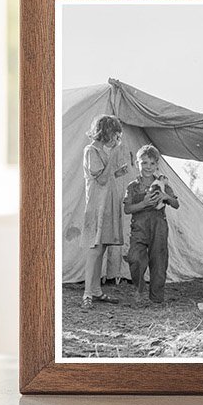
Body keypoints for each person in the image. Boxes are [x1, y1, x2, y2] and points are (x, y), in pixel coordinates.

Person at [78, 114, 129, 308]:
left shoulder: (103, 153)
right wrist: (115, 155)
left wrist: (117, 172)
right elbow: (99, 179)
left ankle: (96, 290)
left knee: (102, 248)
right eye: (115, 134)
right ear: (106, 132)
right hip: (97, 208)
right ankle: (87, 294)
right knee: (94, 249)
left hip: (106, 205)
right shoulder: (90, 151)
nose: (117, 139)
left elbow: (106, 177)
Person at [123, 145, 179, 304]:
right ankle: (139, 289)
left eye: (152, 163)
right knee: (135, 257)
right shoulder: (132, 187)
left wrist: (165, 196)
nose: (148, 167)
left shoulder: (162, 184)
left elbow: (176, 204)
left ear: (157, 165)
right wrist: (144, 203)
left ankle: (156, 298)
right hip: (139, 228)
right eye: (144, 163)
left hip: (158, 226)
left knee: (159, 260)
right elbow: (127, 209)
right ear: (137, 163)